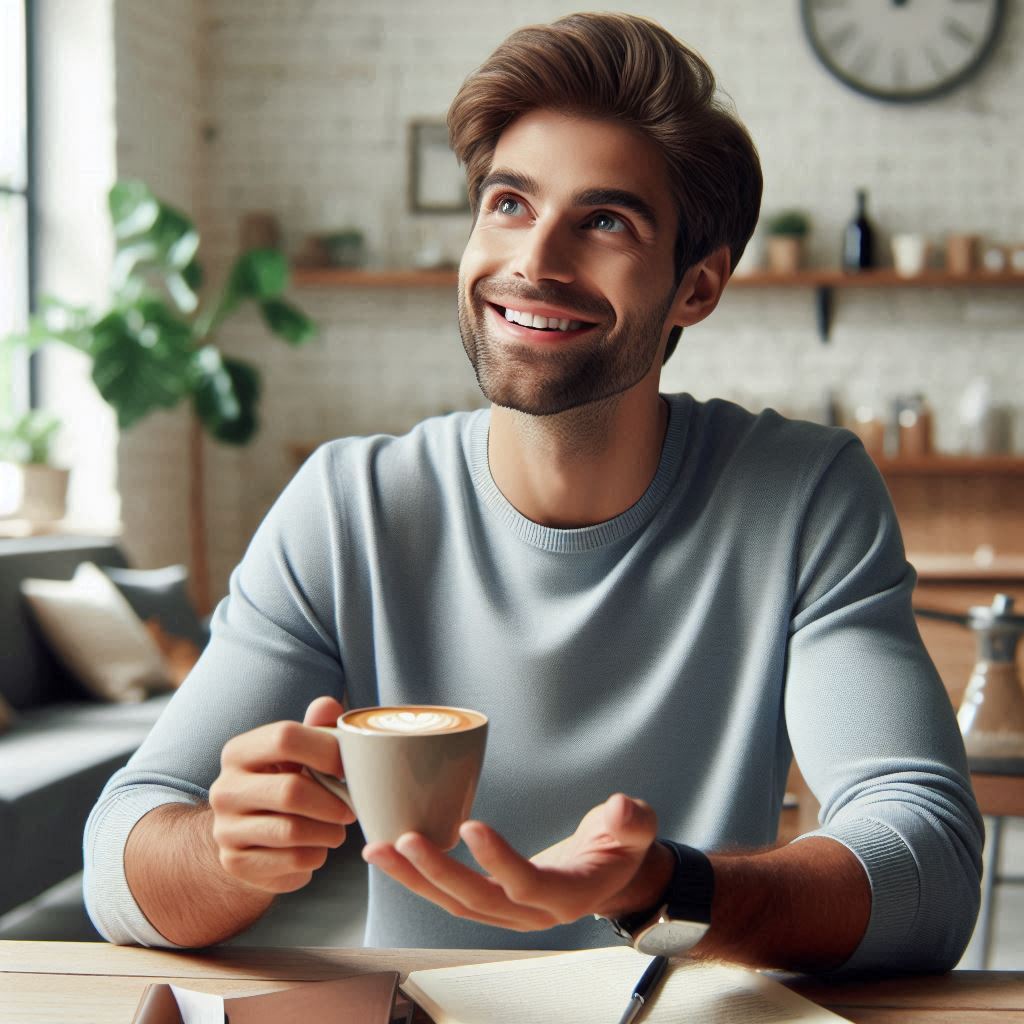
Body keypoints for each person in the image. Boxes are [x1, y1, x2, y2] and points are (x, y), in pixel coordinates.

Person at [84, 12, 982, 973]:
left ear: (698, 288)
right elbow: (117, 859)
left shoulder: (803, 495)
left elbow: (927, 859)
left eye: (605, 221)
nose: (535, 262)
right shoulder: (350, 506)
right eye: (509, 203)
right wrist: (228, 854)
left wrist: (665, 889)